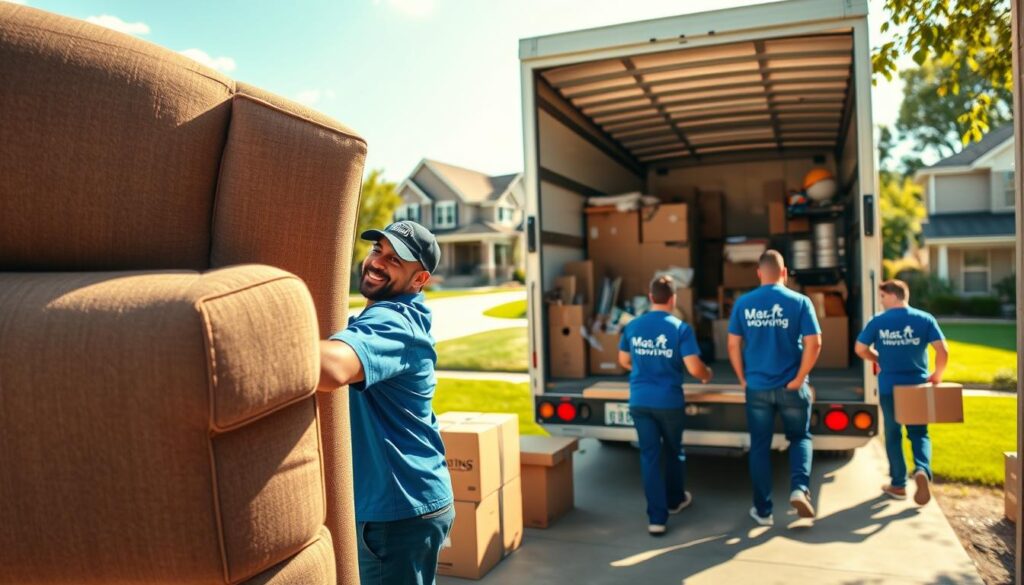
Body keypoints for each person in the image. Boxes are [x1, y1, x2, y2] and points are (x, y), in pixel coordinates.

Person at [318, 220, 454, 585]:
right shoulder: (381, 316)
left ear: (419, 280)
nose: (378, 261)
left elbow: (330, 368)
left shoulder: (394, 323)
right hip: (405, 503)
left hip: (398, 511)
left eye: (395, 260)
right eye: (378, 250)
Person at [727, 250, 821, 526]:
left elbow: (733, 344)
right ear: (784, 272)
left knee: (759, 446)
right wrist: (800, 377)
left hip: (756, 387)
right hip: (792, 386)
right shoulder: (800, 302)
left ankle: (763, 511)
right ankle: (799, 489)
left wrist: (742, 378)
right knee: (800, 438)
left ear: (759, 273)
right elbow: (815, 343)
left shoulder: (744, 303)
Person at [617, 275, 713, 536]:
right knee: (673, 451)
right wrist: (707, 374)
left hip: (639, 401)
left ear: (650, 298)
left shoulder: (633, 326)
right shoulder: (680, 328)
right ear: (673, 299)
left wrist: (643, 366)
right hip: (669, 403)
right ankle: (675, 500)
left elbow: (623, 360)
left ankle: (656, 519)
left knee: (649, 456)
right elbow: (694, 367)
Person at [854, 279, 948, 506]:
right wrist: (937, 375)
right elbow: (942, 350)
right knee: (919, 433)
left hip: (889, 388)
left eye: (883, 297)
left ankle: (898, 484)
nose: (881, 301)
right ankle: (922, 470)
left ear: (895, 295)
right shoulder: (925, 319)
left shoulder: (878, 321)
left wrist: (878, 358)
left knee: (893, 435)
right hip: (917, 386)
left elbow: (860, 348)